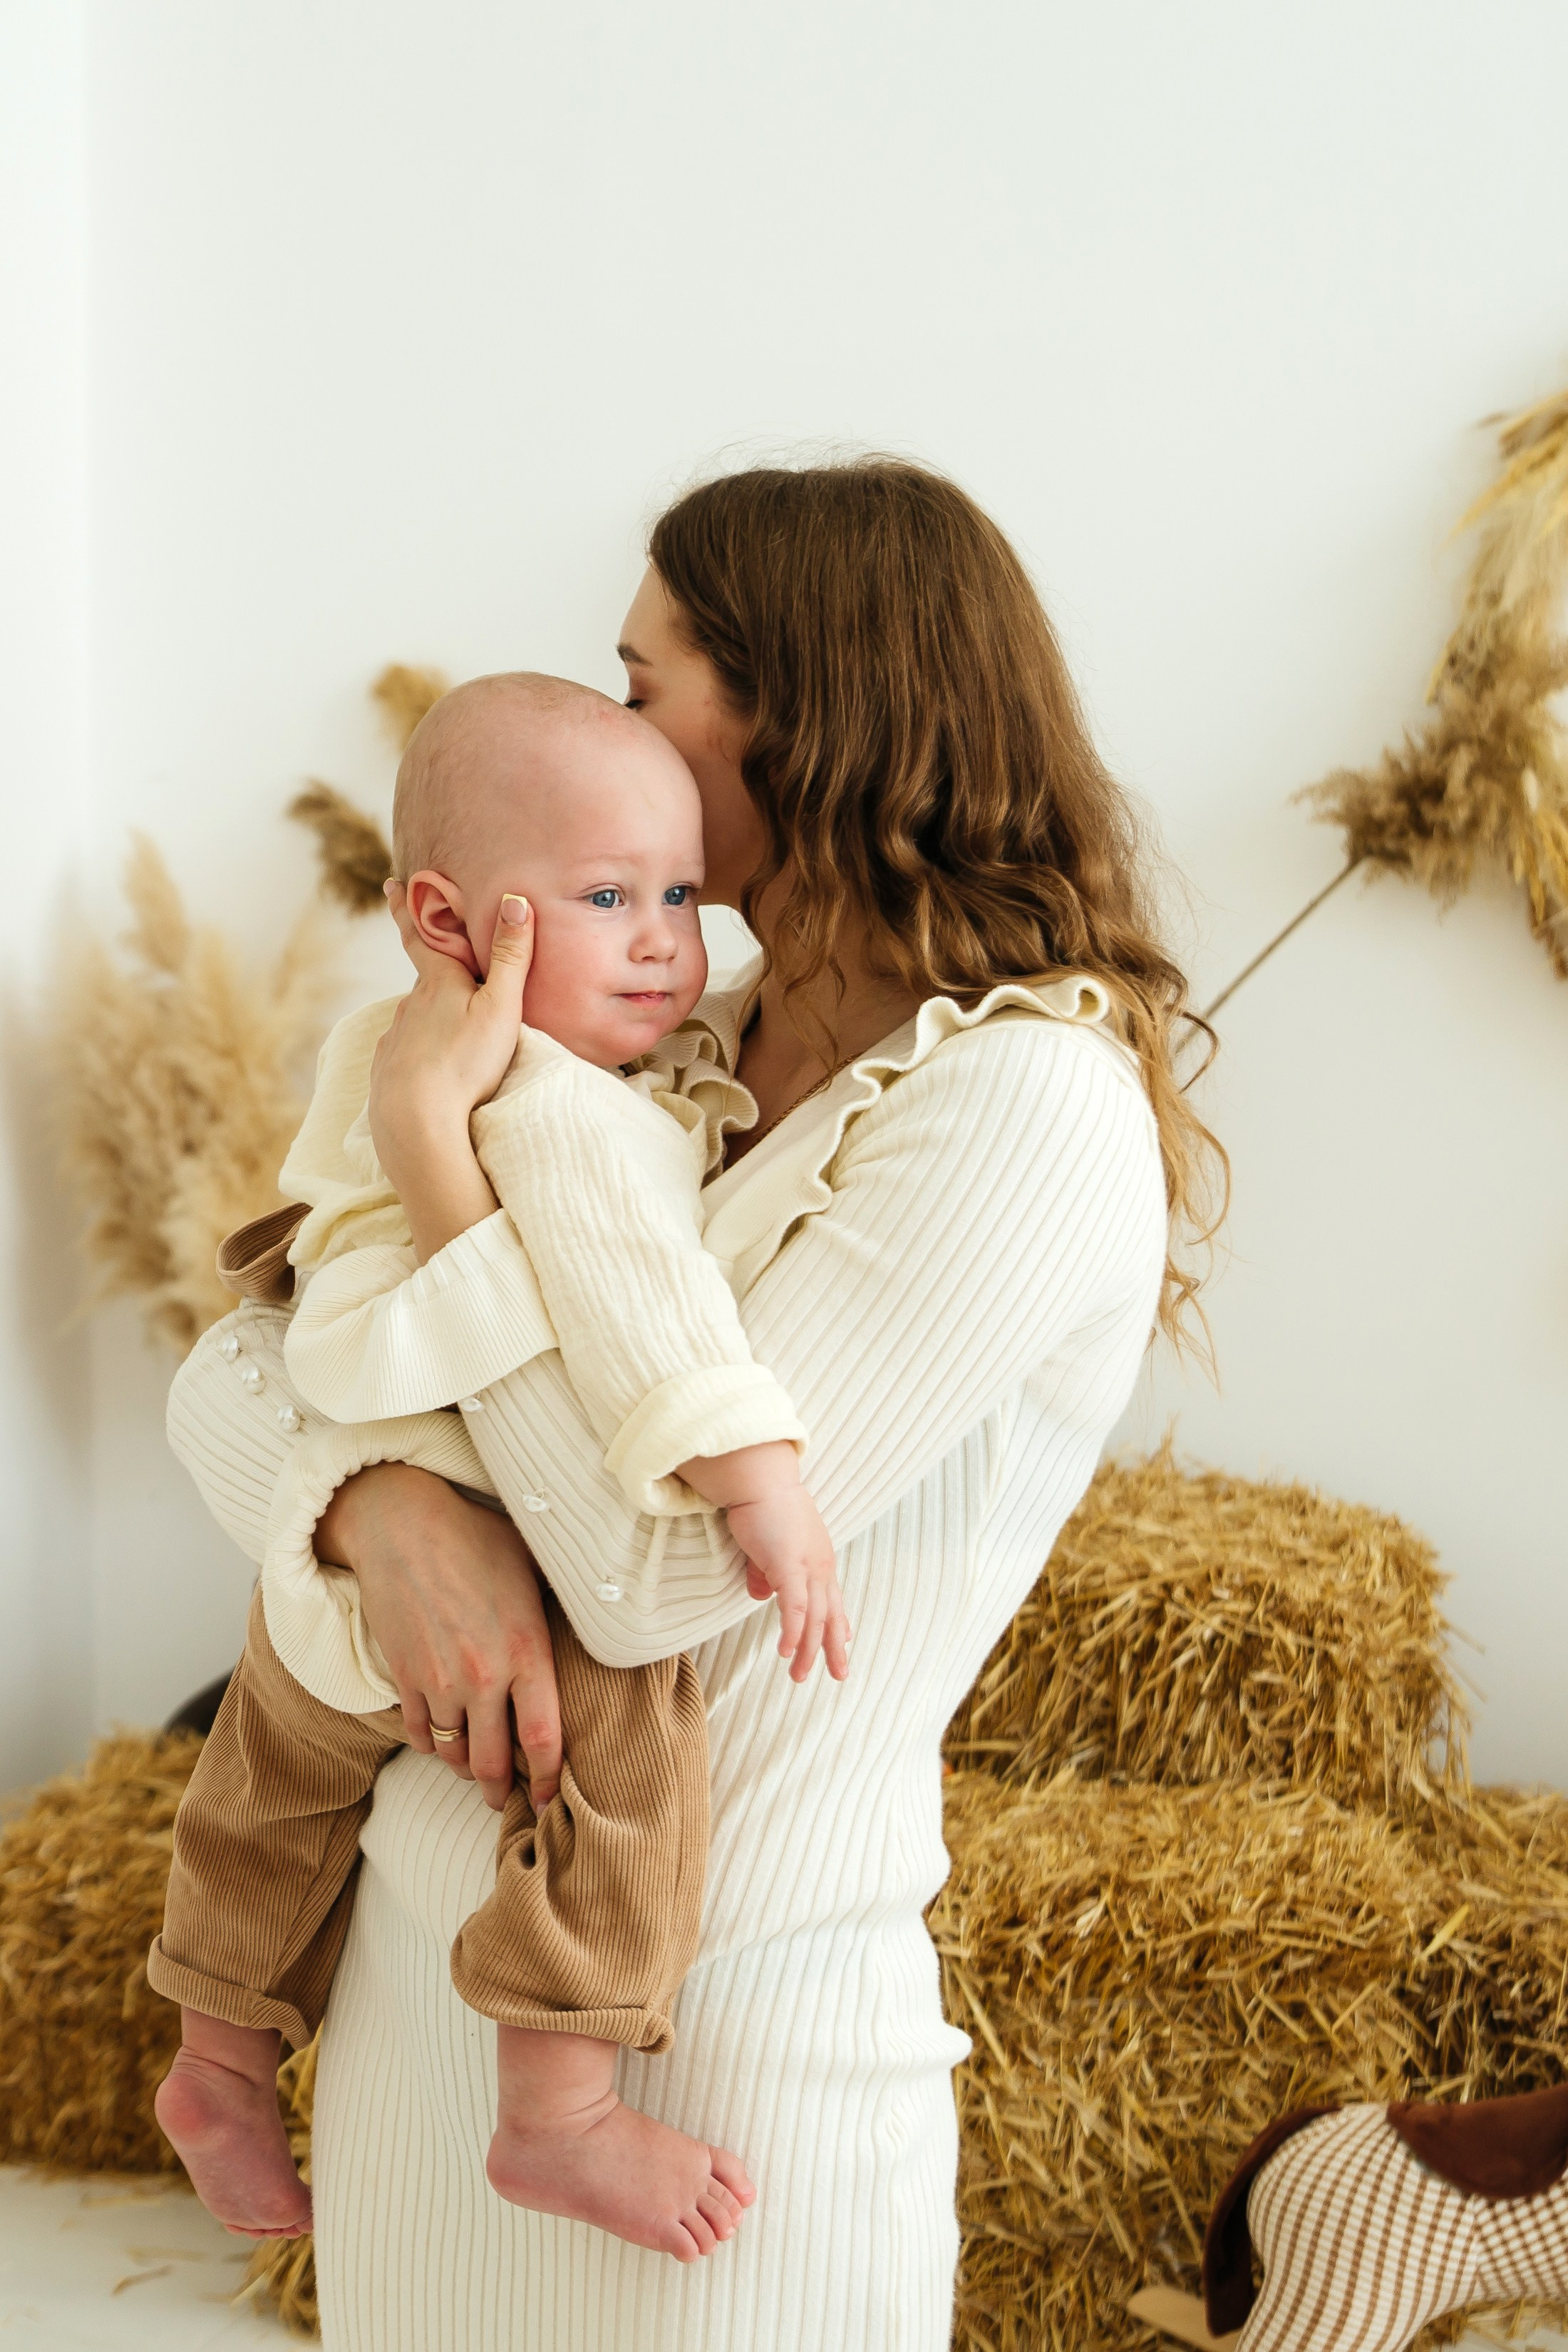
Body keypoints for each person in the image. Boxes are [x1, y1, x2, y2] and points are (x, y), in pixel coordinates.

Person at [165, 457, 1218, 2352]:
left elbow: (652, 1575)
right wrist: (379, 1517)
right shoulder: (660, 1045)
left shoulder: (1020, 1110)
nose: (614, 725)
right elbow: (224, 1381)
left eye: (649, 681)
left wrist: (440, 1172)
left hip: (721, 2061)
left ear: (804, 711)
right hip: (429, 2031)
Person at [150, 674, 849, 2260]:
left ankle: (213, 2054)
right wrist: (753, 1474)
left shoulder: (398, 1046)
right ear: (450, 918)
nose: (668, 940)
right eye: (608, 899)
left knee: (263, 1786)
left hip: (334, 1534)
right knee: (631, 1763)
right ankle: (561, 2112)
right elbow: (641, 1307)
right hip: (489, 1523)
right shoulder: (560, 1103)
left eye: (677, 894)